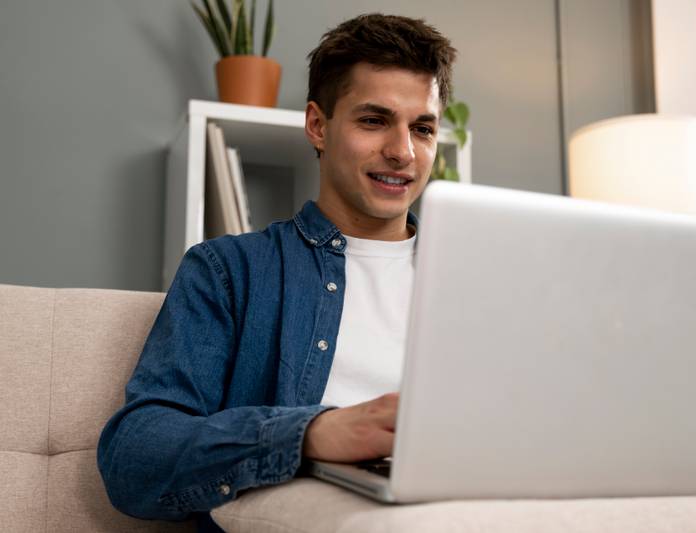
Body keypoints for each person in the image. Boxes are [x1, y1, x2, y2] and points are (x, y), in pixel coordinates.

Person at [97, 13, 457, 531]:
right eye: (374, 120)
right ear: (318, 125)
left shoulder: (467, 283)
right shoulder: (228, 270)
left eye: (422, 128)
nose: (403, 152)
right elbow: (135, 456)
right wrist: (310, 434)